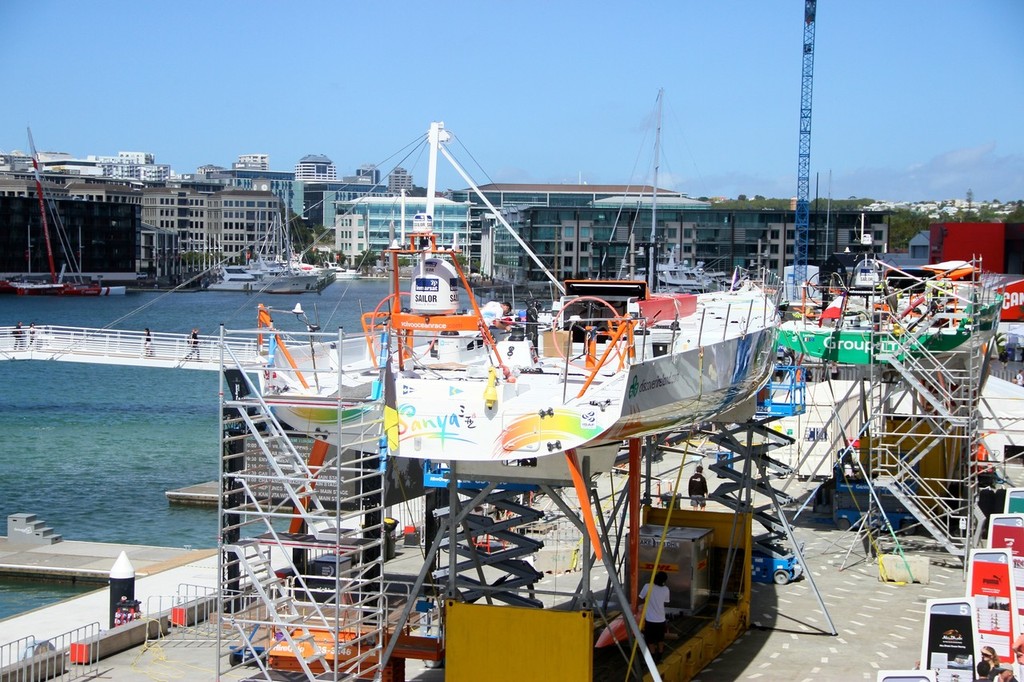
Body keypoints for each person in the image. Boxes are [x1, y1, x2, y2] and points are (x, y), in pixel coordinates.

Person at [639, 571, 670, 658]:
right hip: (661, 619)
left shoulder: (647, 586)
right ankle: (660, 654)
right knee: (660, 638)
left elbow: (640, 598)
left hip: (650, 619)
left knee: (650, 639)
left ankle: (652, 655)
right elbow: (666, 602)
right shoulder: (666, 589)